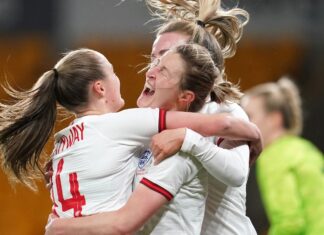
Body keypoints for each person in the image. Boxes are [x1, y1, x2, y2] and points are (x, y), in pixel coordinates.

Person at [45, 1, 259, 234]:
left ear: (195, 62)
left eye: (165, 59)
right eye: (153, 58)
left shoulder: (222, 112)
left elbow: (237, 172)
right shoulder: (149, 125)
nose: (151, 69)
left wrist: (193, 138)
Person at [241, 77, 324, 235]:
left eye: (249, 117)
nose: (243, 124)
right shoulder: (306, 148)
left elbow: (290, 223)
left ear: (274, 119)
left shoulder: (273, 157)